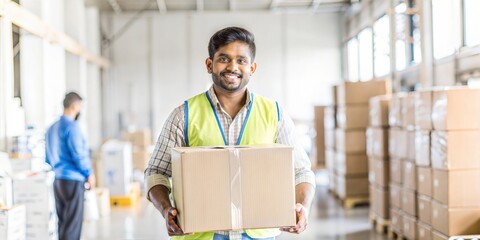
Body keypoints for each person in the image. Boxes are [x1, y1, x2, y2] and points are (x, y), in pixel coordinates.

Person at [145, 26, 315, 240]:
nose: (232, 66)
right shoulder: (183, 116)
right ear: (210, 64)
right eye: (224, 59)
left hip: (259, 235)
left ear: (252, 68)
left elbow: (301, 172)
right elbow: (155, 172)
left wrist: (303, 207)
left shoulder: (275, 114)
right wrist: (165, 209)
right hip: (201, 235)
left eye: (241, 60)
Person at [46, 92, 96, 240]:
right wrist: (89, 173)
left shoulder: (52, 128)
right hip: (73, 181)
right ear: (75, 106)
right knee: (72, 226)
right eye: (80, 107)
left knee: (63, 223)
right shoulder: (72, 127)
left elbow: (48, 157)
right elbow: (79, 154)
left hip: (58, 181)